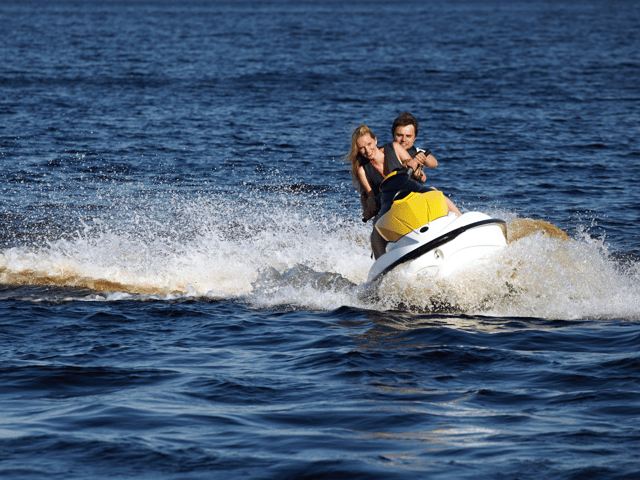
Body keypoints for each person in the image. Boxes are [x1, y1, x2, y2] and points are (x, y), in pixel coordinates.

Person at [346, 125, 461, 259]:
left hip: (413, 196)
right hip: (390, 207)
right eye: (361, 148)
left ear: (375, 140)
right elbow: (370, 196)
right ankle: (381, 265)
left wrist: (415, 166)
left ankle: (464, 222)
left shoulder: (394, 147)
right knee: (375, 230)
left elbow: (420, 174)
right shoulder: (363, 170)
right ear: (358, 150)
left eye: (369, 144)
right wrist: (368, 207)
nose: (367, 150)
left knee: (435, 192)